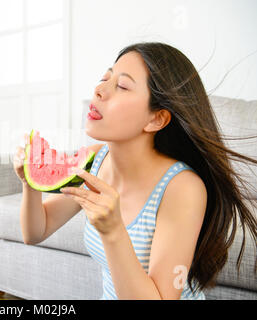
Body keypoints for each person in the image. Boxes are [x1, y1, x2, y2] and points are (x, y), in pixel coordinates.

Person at [13, 42, 257, 300]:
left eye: (122, 86)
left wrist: (114, 231)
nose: (99, 90)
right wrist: (29, 181)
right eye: (105, 78)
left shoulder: (182, 187)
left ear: (156, 119)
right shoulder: (96, 160)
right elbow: (36, 232)